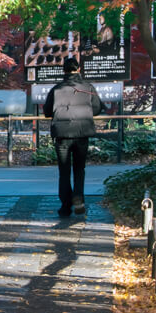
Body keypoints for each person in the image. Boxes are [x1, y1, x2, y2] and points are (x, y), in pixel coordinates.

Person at [43, 57, 103, 216]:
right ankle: (78, 197)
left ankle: (65, 205)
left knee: (64, 171)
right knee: (79, 169)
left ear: (63, 70)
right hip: (82, 133)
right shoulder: (88, 87)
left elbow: (47, 112)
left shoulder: (56, 89)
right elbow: (97, 108)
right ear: (79, 69)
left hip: (62, 134)